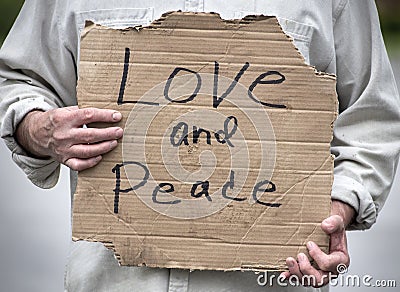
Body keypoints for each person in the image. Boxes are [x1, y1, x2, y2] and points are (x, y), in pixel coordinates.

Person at [0, 1, 399, 291]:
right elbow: (18, 79)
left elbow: (372, 118)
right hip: (113, 282)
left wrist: (337, 209)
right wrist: (39, 128)